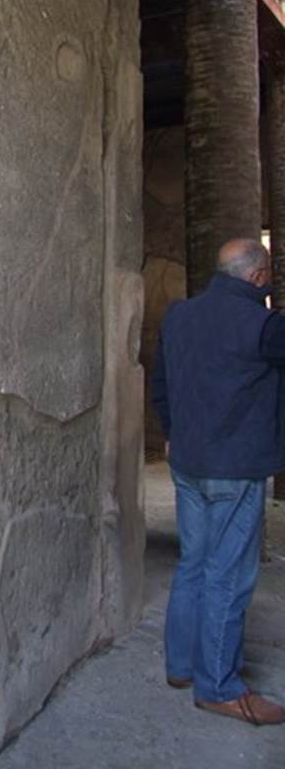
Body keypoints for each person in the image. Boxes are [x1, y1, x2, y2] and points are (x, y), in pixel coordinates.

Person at [152, 238, 285, 726]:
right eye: (267, 275)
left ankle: (182, 667)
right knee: (228, 577)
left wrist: (174, 432)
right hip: (235, 468)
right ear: (256, 277)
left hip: (187, 462)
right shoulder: (265, 327)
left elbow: (161, 384)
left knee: (195, 564)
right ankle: (219, 687)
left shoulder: (179, 316)